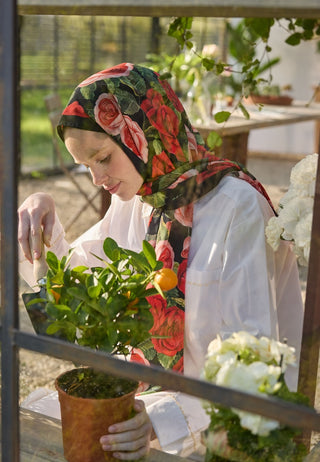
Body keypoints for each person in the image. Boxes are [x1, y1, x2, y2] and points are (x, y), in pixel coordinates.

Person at [18, 63, 304, 460]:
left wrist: (160, 423)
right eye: (86, 166)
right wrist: (41, 214)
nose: (97, 179)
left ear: (140, 133)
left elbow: (253, 362)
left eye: (102, 157)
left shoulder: (238, 209)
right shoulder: (144, 199)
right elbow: (75, 290)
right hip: (143, 409)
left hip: (221, 428)